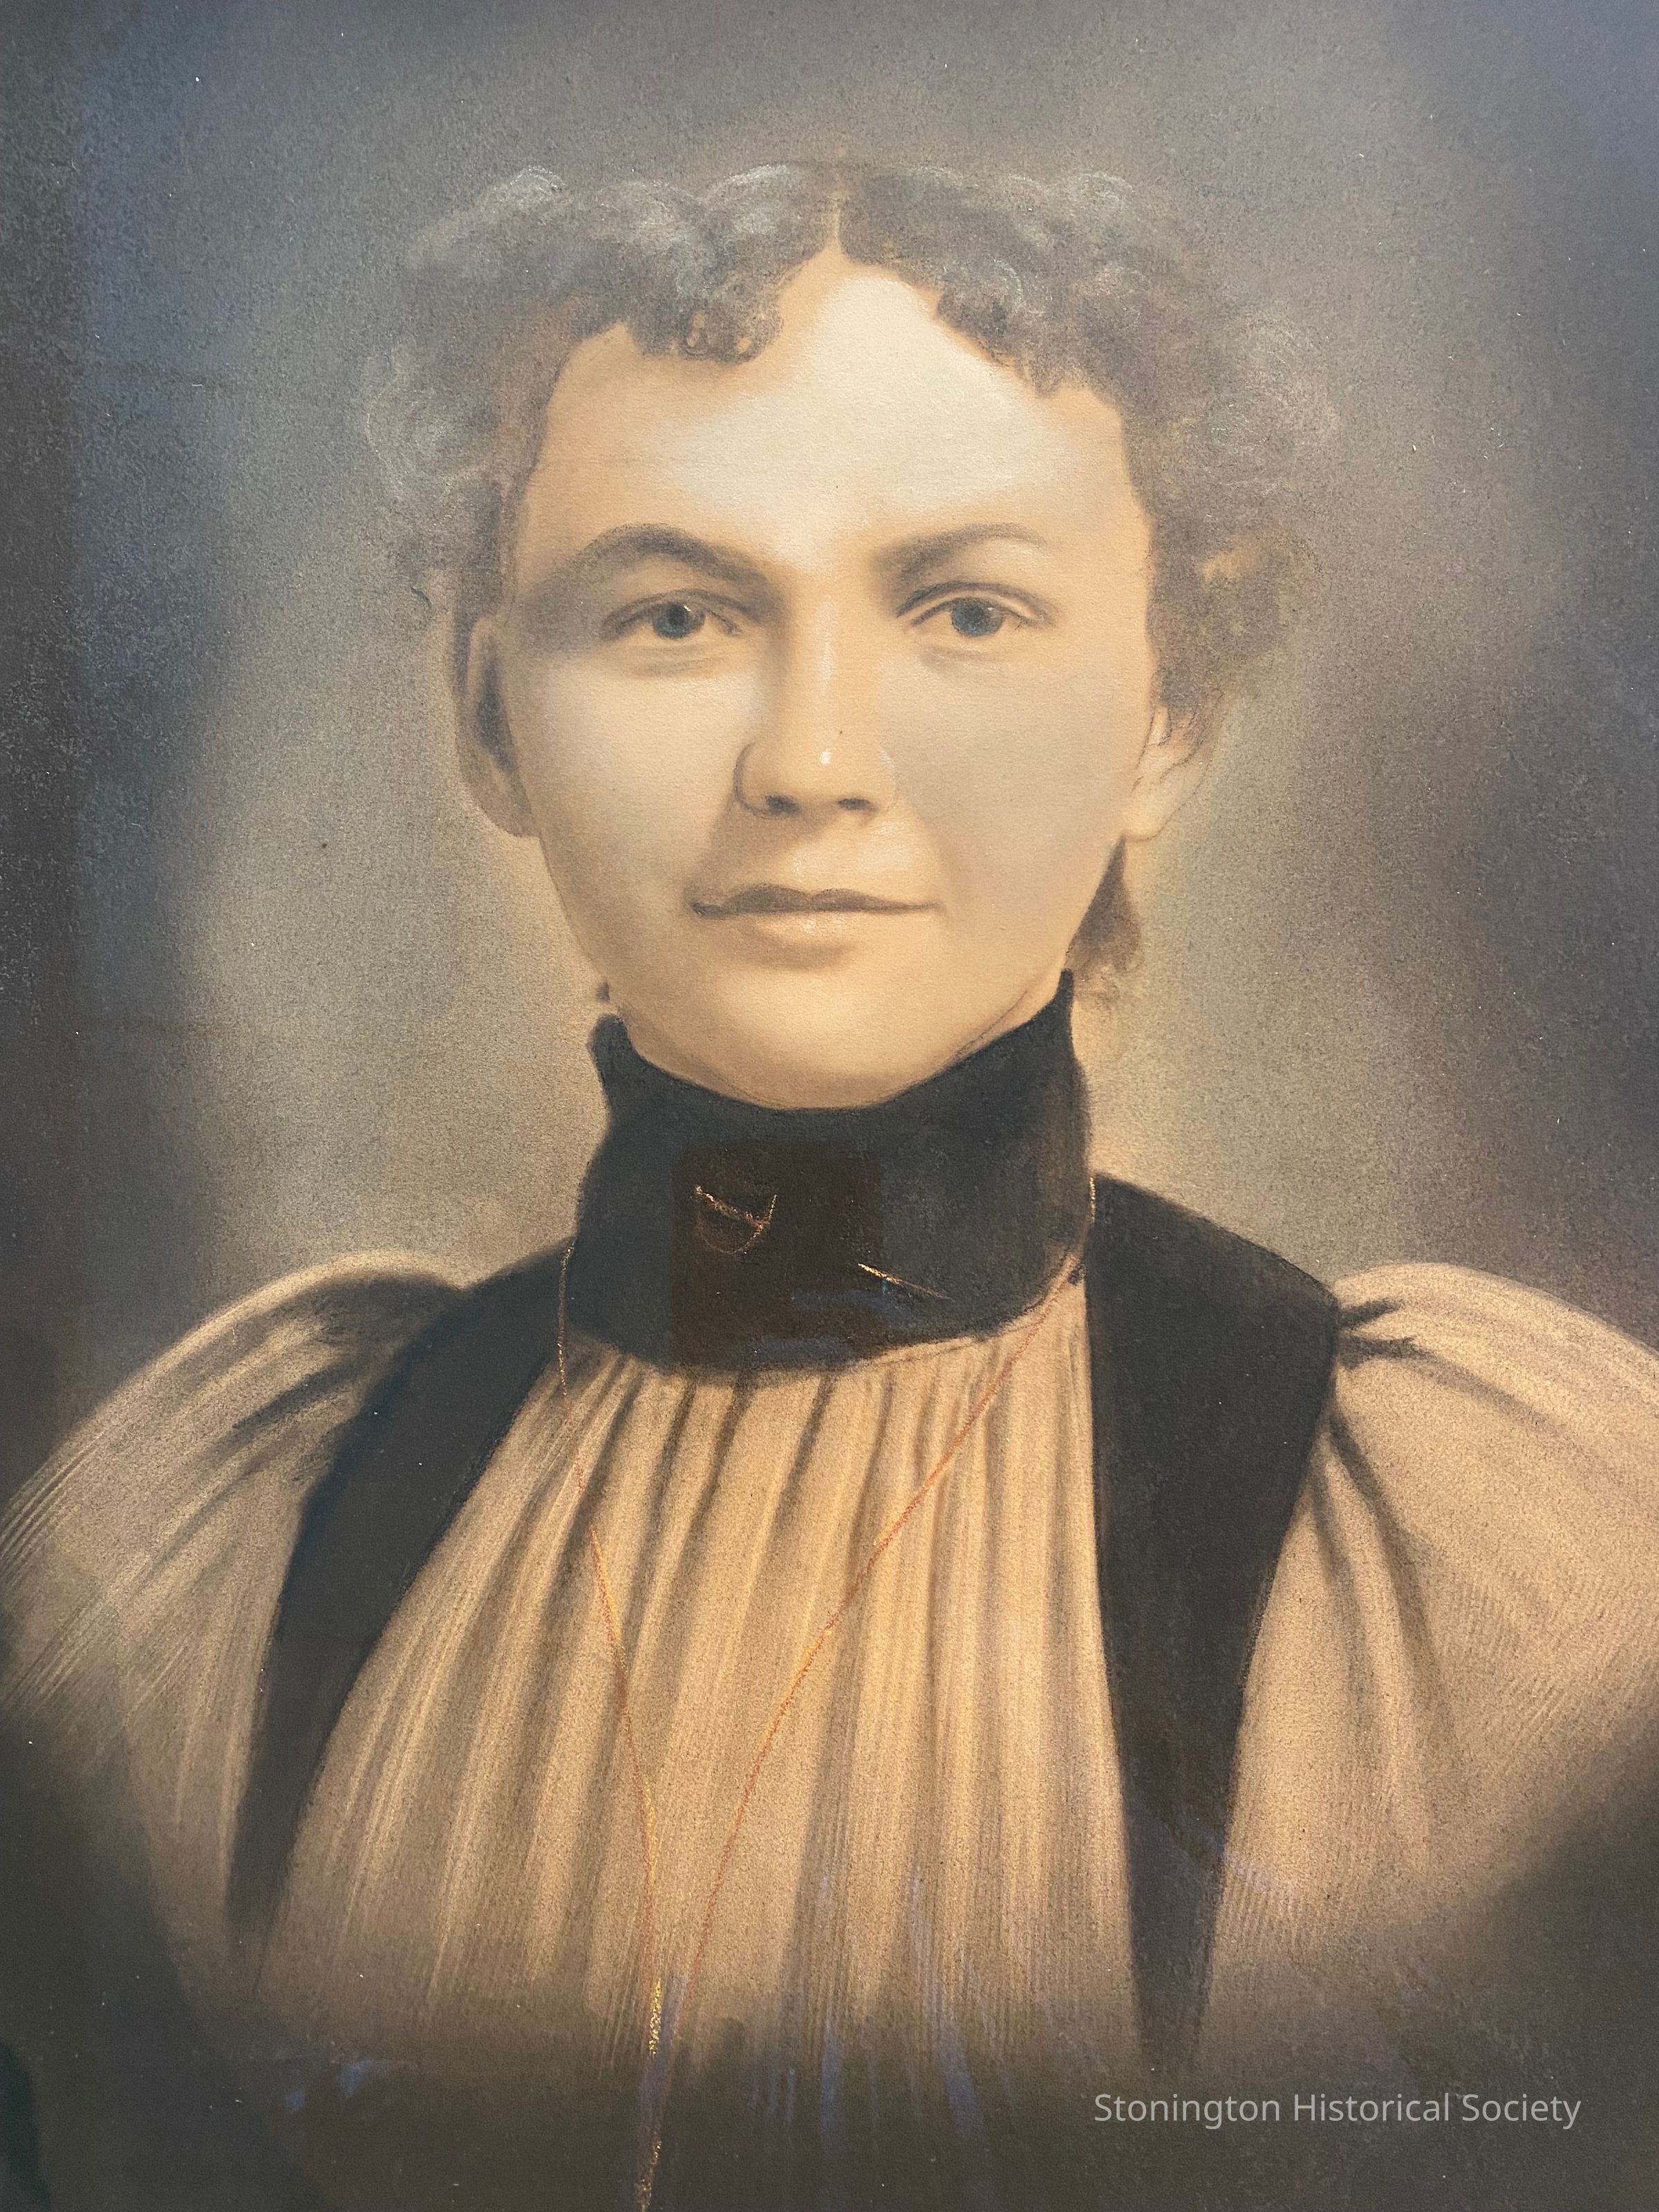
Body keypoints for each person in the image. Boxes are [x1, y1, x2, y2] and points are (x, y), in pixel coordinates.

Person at [3, 162, 1658, 2212]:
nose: (811, 761)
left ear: (1167, 711)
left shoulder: (1483, 1569)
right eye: (676, 614)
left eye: (965, 610)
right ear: (489, 716)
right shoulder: (235, 1551)